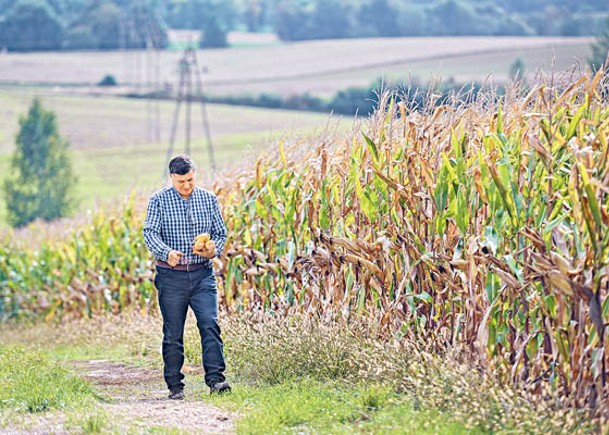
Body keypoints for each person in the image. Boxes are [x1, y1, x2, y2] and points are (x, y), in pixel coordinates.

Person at [143, 155, 231, 400]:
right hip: (171, 276)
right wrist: (166, 252)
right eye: (181, 181)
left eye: (190, 180)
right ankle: (175, 386)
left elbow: (220, 233)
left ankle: (216, 380)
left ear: (195, 174)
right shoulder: (158, 201)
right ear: (172, 177)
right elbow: (149, 233)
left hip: (203, 274)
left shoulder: (208, 199)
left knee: (209, 324)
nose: (187, 185)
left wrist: (214, 249)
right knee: (173, 332)